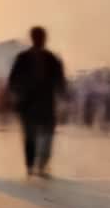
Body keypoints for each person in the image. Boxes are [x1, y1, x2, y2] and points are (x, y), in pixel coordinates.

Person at [8, 26, 66, 178]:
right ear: (33, 38)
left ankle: (41, 163)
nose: (41, 39)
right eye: (38, 36)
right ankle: (31, 165)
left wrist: (61, 92)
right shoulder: (23, 58)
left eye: (42, 36)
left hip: (46, 103)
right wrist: (18, 94)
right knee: (30, 136)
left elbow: (59, 80)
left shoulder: (51, 58)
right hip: (28, 104)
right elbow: (13, 80)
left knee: (47, 135)